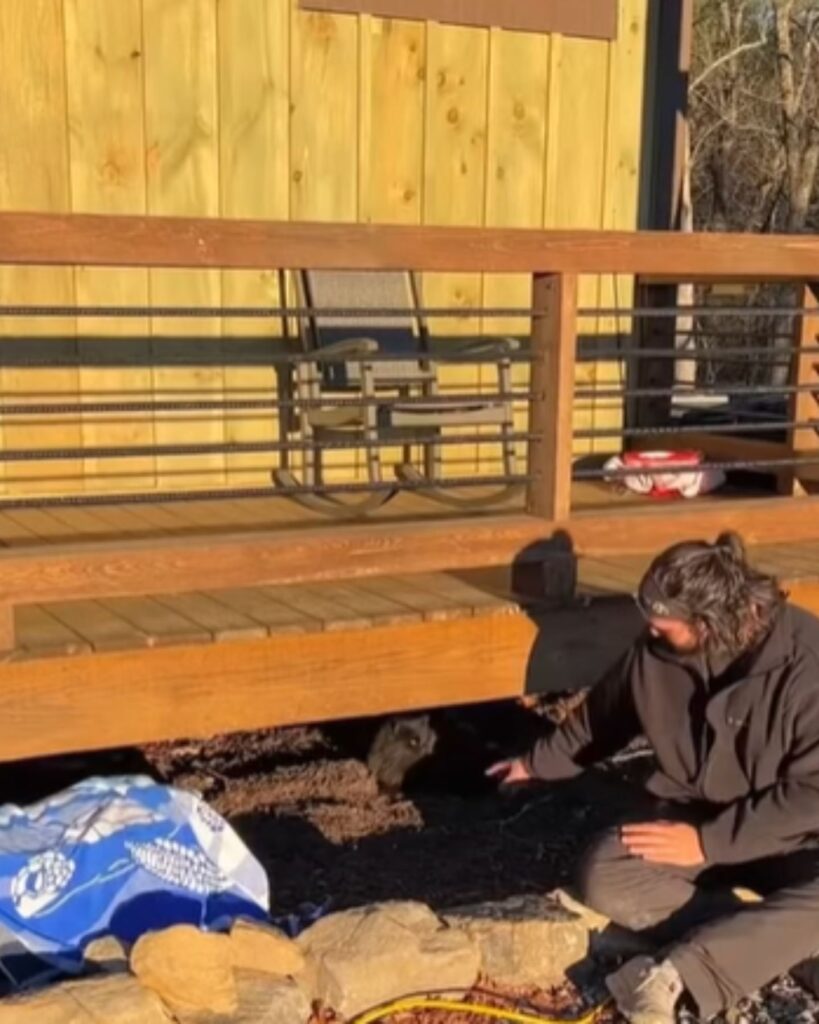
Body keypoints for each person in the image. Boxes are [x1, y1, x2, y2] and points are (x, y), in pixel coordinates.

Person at [489, 531, 819, 1024]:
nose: (653, 633)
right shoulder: (656, 653)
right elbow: (604, 717)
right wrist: (536, 763)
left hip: (792, 838)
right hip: (695, 818)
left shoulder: (807, 663)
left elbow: (812, 794)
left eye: (666, 625)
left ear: (711, 623)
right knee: (606, 875)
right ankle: (774, 939)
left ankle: (679, 973)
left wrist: (709, 843)